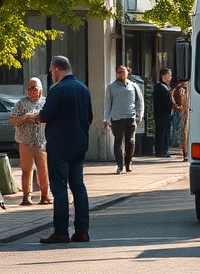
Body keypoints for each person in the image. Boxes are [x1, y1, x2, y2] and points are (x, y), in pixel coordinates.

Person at [37, 56, 94, 245]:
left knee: (60, 189)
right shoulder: (83, 89)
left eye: (51, 71)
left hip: (60, 145)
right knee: (78, 186)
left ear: (55, 69)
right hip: (79, 144)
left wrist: (33, 117)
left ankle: (61, 231)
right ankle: (82, 230)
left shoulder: (58, 90)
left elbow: (46, 115)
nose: (51, 75)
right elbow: (90, 116)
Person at [9, 77, 51, 206]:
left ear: (40, 90)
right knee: (26, 169)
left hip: (41, 141)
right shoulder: (21, 103)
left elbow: (52, 118)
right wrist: (25, 117)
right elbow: (12, 120)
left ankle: (45, 196)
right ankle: (26, 197)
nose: (32, 91)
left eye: (35, 88)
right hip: (25, 141)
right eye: (30, 88)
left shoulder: (46, 102)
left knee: (43, 169)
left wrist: (38, 118)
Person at [103, 65, 143, 174]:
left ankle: (128, 162)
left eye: (123, 71)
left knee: (130, 141)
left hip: (130, 117)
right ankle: (119, 165)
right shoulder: (111, 87)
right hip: (116, 118)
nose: (121, 73)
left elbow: (139, 101)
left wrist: (139, 115)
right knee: (118, 141)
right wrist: (106, 119)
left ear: (127, 72)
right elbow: (107, 104)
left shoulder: (134, 86)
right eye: (119, 71)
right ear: (116, 73)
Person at [153, 68, 173, 158]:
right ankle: (160, 151)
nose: (170, 77)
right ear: (163, 76)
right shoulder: (159, 86)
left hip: (167, 113)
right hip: (161, 113)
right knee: (161, 132)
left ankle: (165, 150)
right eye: (169, 74)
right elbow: (161, 101)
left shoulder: (166, 86)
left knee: (166, 132)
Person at [172, 79, 190, 161]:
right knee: (183, 132)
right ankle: (185, 153)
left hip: (185, 112)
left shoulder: (180, 88)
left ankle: (186, 154)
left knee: (184, 132)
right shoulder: (180, 88)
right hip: (184, 113)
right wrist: (178, 107)